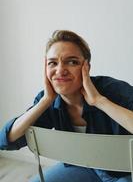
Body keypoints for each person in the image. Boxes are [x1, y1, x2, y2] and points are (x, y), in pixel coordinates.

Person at [0, 30, 133, 182]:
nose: (60, 70)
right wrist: (45, 101)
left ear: (87, 67)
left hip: (124, 171)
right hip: (83, 166)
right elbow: (6, 139)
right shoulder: (48, 101)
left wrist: (99, 101)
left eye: (72, 62)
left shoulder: (114, 90)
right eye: (53, 63)